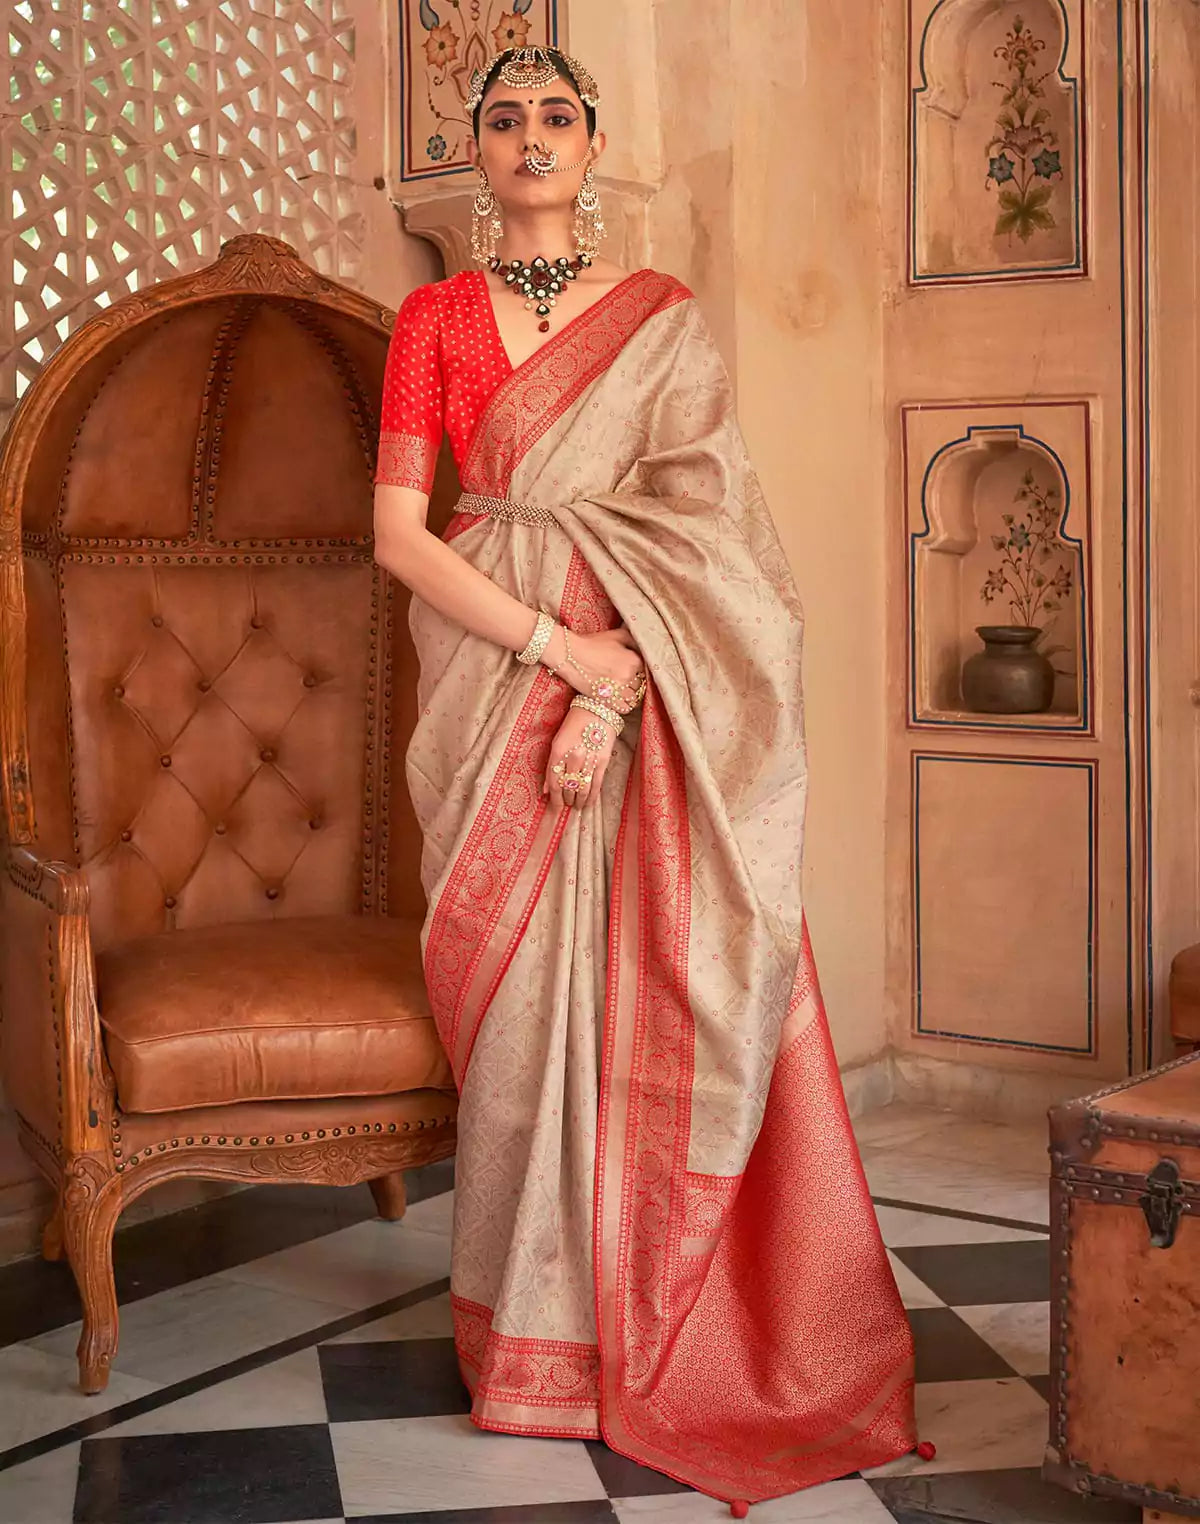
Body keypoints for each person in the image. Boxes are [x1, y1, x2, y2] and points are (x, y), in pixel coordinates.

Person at [372, 44, 917, 1510]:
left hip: (647, 688)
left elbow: (704, 537)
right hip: (490, 673)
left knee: (644, 989)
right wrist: (562, 654)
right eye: (504, 120)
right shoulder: (432, 317)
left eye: (556, 116)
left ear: (592, 142)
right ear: (476, 154)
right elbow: (401, 532)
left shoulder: (660, 319)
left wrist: (615, 692)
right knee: (513, 1016)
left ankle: (651, 1316)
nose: (531, 138)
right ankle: (526, 1340)